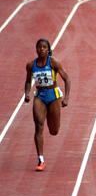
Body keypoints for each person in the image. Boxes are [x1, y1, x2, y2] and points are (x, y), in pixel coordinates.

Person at [24, 38, 71, 171]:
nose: (42, 49)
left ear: (48, 49)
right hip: (40, 96)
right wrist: (27, 93)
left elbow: (67, 79)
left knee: (54, 130)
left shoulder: (53, 62)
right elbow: (28, 81)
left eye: (44, 47)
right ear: (36, 49)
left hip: (53, 96)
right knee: (38, 126)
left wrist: (66, 97)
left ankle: (50, 120)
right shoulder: (31, 65)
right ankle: (41, 159)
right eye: (39, 47)